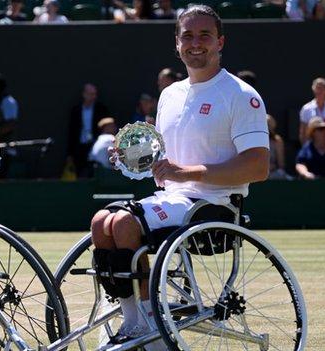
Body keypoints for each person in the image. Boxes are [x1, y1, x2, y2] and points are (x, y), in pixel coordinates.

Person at [89, 5, 269, 348]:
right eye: (187, 35)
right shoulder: (169, 95)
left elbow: (258, 167)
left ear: (220, 42)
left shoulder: (241, 95)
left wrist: (187, 173)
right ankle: (134, 316)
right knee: (101, 221)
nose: (195, 43)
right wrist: (128, 155)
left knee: (124, 224)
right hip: (170, 200)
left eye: (205, 35)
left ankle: (145, 329)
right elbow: (164, 160)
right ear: (177, 43)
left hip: (213, 206)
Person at [67, 83, 109, 177]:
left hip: (95, 146)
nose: (93, 97)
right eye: (90, 94)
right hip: (80, 147)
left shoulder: (101, 109)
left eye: (94, 94)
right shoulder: (76, 110)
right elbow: (72, 132)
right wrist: (70, 153)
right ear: (84, 94)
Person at [299, 77, 325, 145]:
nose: (319, 91)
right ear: (313, 90)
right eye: (317, 88)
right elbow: (303, 132)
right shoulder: (306, 108)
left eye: (321, 88)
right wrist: (305, 147)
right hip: (312, 144)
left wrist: (324, 127)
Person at [267, 114, 291, 180]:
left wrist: (272, 167)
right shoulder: (254, 140)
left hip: (273, 173)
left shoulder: (277, 140)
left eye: (269, 125)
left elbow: (281, 164)